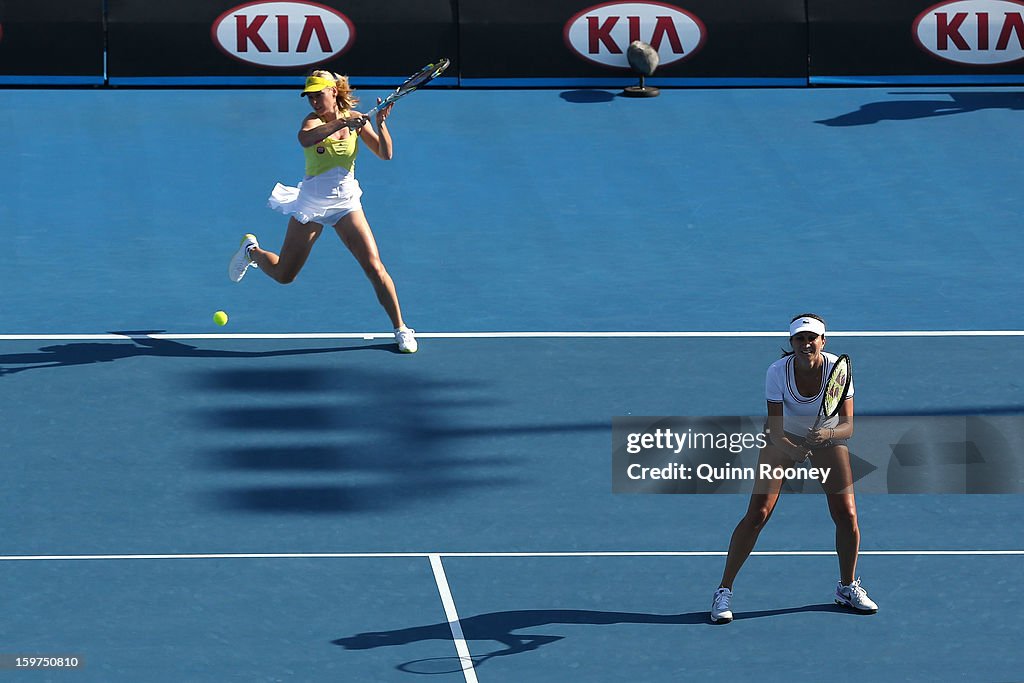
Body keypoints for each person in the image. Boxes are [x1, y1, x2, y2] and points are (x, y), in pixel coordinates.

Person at [228, 70, 417, 353]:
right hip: (312, 205)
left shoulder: (355, 119)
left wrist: (380, 124)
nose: (314, 101)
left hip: (346, 204)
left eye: (319, 94)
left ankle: (401, 329)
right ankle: (251, 251)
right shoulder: (314, 122)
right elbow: (305, 139)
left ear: (334, 92)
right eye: (310, 97)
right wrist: (343, 121)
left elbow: (384, 153)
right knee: (284, 275)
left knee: (375, 267)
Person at [710, 313, 877, 624]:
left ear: (823, 341)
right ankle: (723, 591)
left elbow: (848, 426)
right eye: (799, 339)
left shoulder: (836, 371)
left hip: (826, 439)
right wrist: (794, 449)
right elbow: (773, 429)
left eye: (812, 338)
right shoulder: (777, 372)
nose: (806, 343)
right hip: (782, 438)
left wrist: (825, 435)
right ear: (792, 343)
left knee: (847, 514)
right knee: (758, 514)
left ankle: (847, 587)